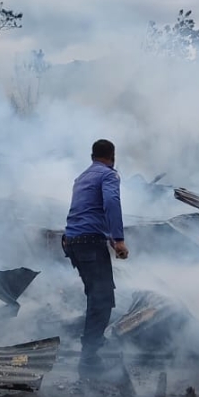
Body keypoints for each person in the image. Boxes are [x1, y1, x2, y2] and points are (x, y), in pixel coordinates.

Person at [62, 139, 129, 375]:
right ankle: (89, 359)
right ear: (112, 156)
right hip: (89, 243)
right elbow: (111, 203)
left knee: (96, 296)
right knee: (102, 300)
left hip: (73, 242)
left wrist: (109, 237)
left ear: (92, 156)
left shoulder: (82, 177)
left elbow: (88, 212)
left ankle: (92, 348)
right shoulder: (109, 175)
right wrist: (119, 238)